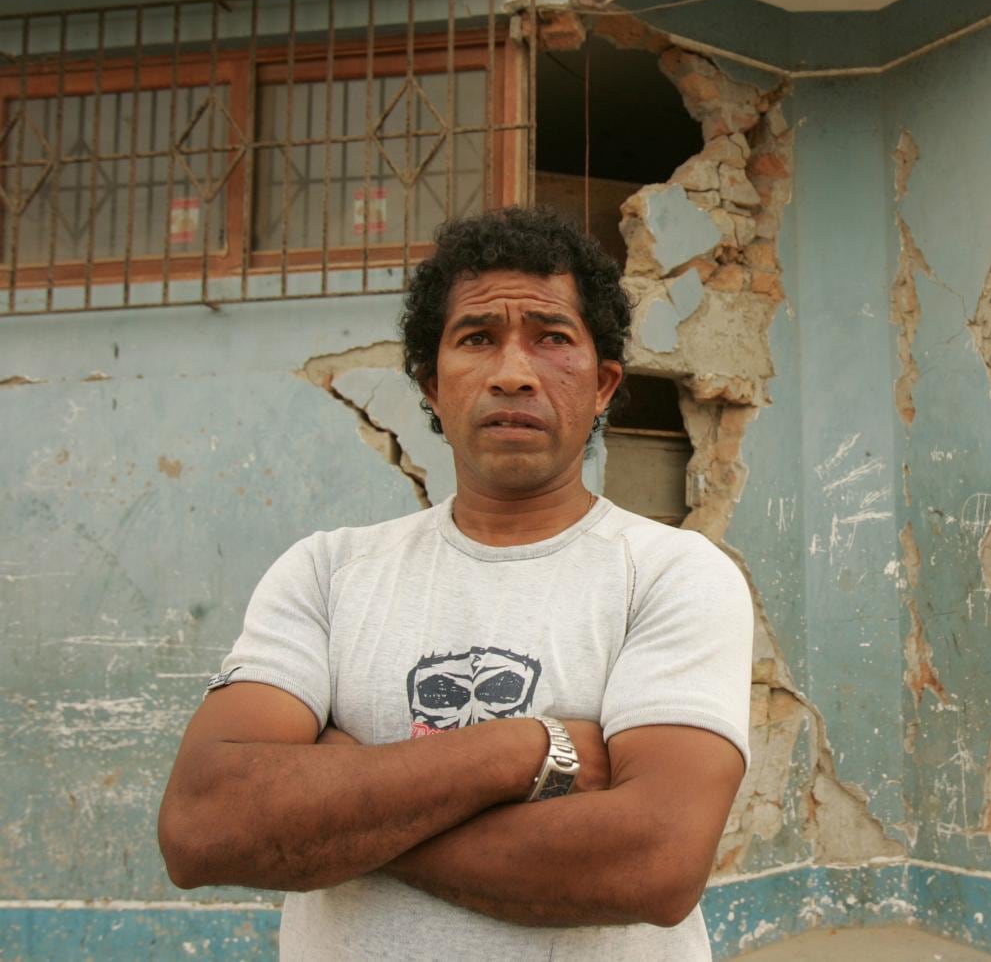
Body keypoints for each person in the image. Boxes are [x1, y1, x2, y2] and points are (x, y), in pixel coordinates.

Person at [158, 206, 753, 960]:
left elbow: (657, 859)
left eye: (552, 337)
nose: (513, 372)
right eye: (477, 338)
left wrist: (343, 805)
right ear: (431, 385)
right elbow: (203, 822)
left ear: (603, 384)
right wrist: (527, 749)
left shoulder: (672, 574)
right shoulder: (328, 572)